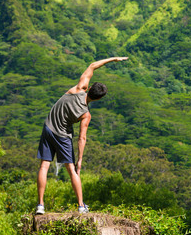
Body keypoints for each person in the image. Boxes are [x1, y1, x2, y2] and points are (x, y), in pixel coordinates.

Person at [35, 57, 129, 215]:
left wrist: (114, 59)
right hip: (63, 136)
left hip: (49, 127)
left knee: (44, 166)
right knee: (72, 170)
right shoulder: (86, 115)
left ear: (90, 87)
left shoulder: (79, 88)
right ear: (98, 99)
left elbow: (93, 66)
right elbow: (82, 138)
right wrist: (79, 159)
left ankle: (40, 205)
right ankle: (80, 206)